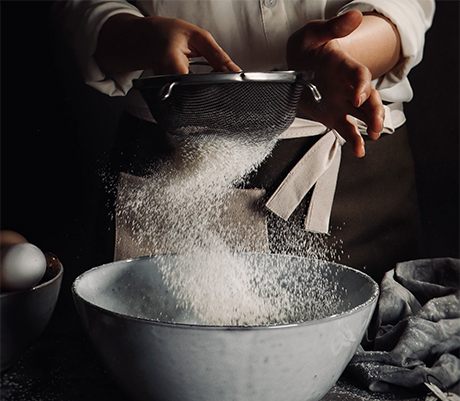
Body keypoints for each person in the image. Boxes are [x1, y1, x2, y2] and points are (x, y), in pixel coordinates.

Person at [53, 0, 435, 282]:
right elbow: (80, 7)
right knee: (174, 362)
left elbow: (406, 6)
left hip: (354, 172)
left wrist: (342, 54)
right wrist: (141, 37)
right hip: (177, 173)